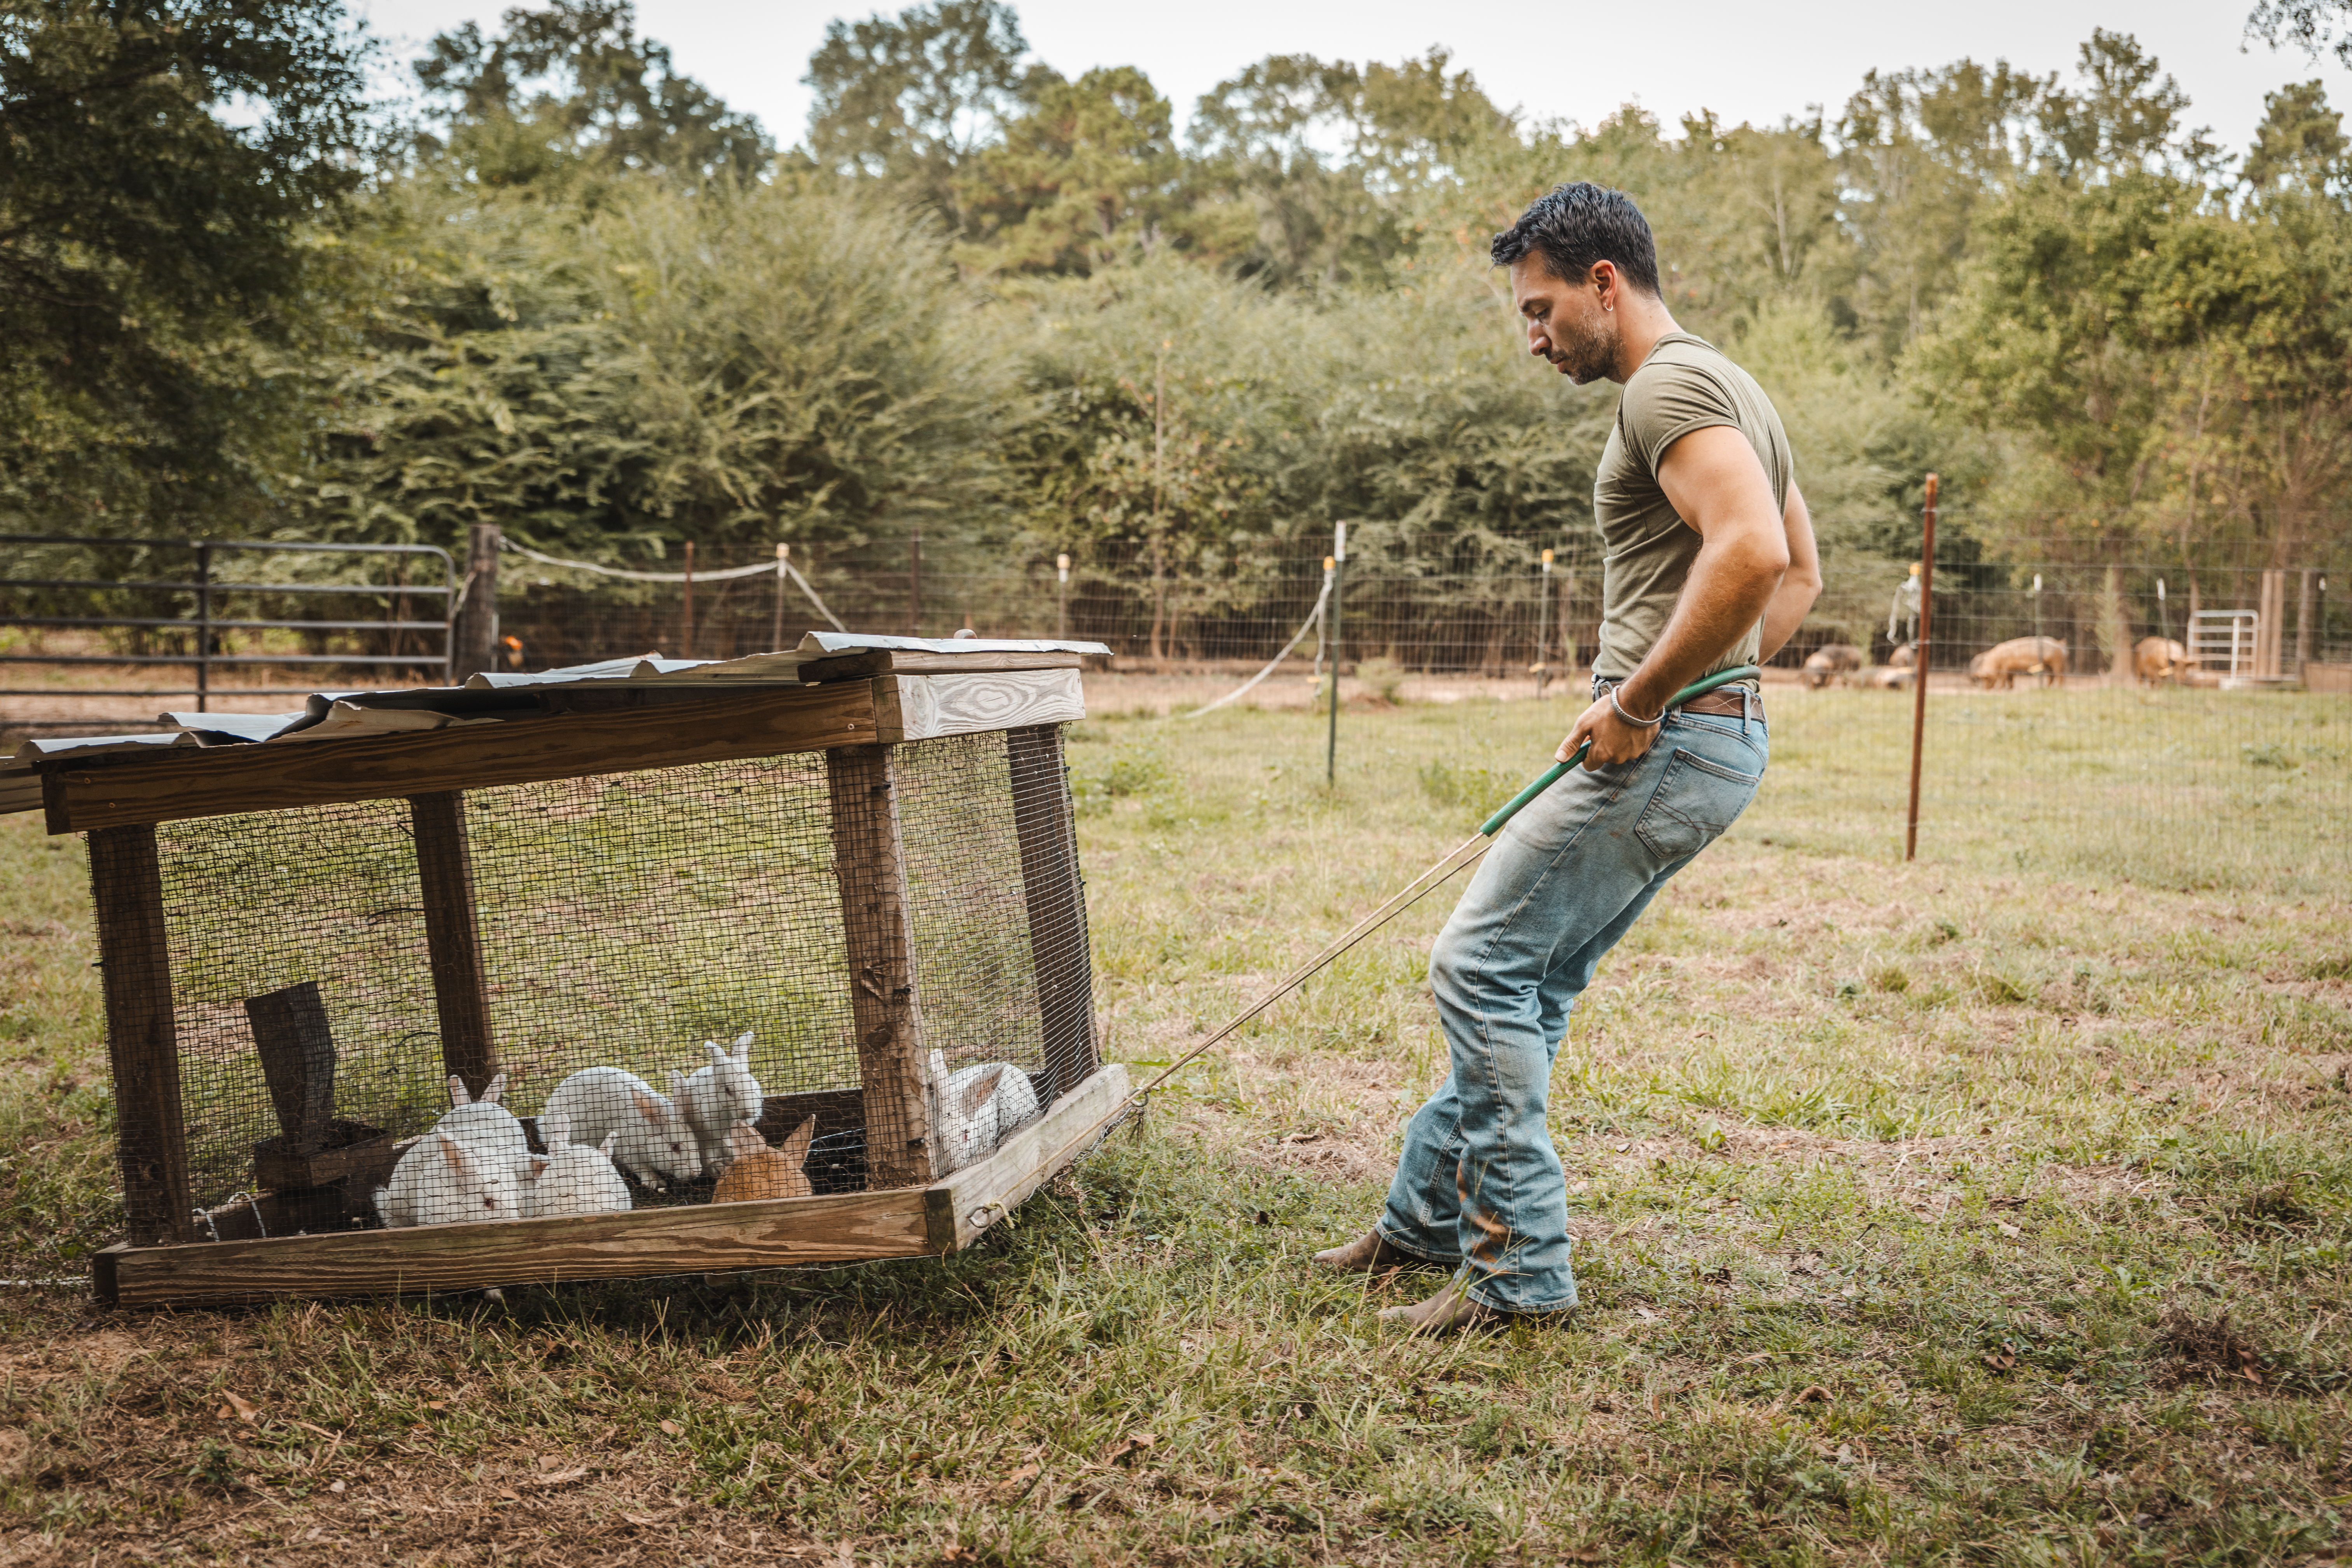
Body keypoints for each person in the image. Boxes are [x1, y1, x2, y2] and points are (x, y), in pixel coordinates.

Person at [1312, 182, 1821, 1332]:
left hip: (1667, 742)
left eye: (1541, 310)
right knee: (1529, 984)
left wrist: (1646, 700)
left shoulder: (1670, 387)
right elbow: (1802, 575)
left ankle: (1519, 1279)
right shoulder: (1737, 384)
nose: (1534, 337)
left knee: (1477, 966)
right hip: (1710, 742)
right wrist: (1708, 690)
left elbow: (1748, 555)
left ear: (1604, 283)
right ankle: (1419, 1226)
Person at [1889, 563, 1922, 653]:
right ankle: (1902, 640)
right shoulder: (1904, 586)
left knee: (1912, 621)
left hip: (1913, 609)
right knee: (1909, 621)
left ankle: (1911, 642)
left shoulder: (1918, 587)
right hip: (1907, 608)